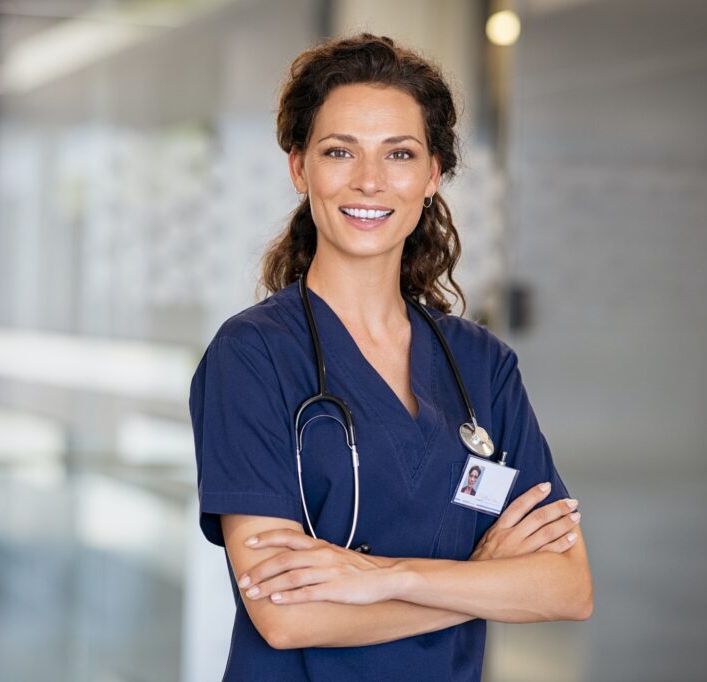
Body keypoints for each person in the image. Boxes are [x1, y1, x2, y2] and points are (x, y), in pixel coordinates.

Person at [189, 33, 592, 682]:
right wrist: (480, 582)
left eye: (399, 154)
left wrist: (380, 578)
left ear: (432, 175)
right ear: (300, 168)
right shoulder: (253, 356)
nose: (370, 180)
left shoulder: (481, 365)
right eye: (339, 151)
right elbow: (285, 617)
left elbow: (567, 588)